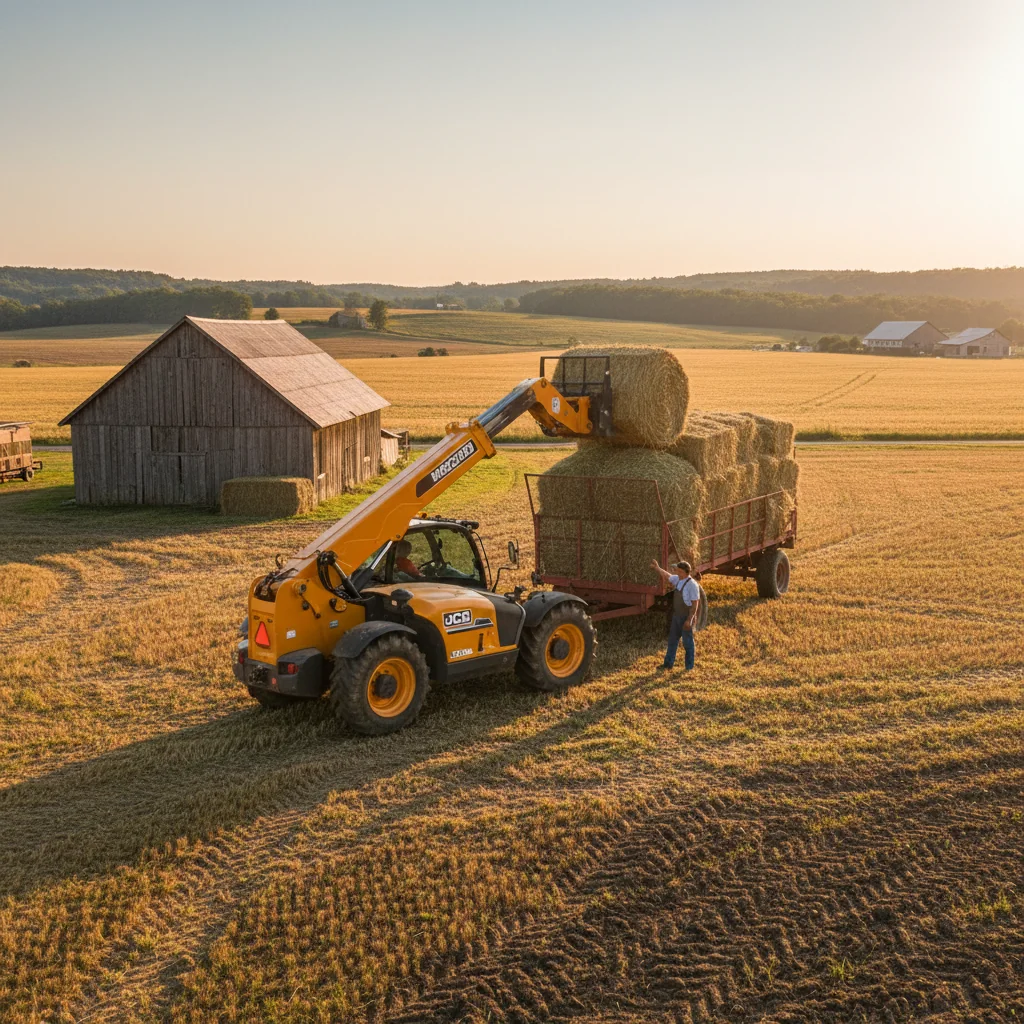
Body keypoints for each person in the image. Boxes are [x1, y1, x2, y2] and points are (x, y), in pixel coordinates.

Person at [651, 558, 700, 670]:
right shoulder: (678, 579)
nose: (676, 572)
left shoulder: (692, 585)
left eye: (678, 571)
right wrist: (657, 568)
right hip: (676, 616)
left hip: (686, 617)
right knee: (672, 641)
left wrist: (689, 620)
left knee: (688, 643)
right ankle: (668, 664)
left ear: (684, 572)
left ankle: (689, 667)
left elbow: (695, 605)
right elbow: (667, 576)